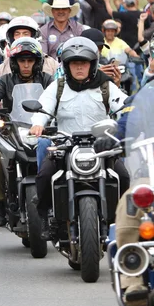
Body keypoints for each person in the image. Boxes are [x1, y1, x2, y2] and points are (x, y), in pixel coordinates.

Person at [29, 37, 128, 238]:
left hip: (101, 145)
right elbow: (43, 107)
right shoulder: (58, 86)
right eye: (75, 63)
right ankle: (47, 218)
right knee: (45, 175)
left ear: (92, 64)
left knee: (124, 177)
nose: (79, 67)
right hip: (66, 144)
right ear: (67, 65)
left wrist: (129, 119)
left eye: (84, 63)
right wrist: (38, 123)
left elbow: (124, 106)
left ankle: (122, 221)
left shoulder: (106, 86)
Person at [0, 38, 54, 227]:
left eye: (30, 60)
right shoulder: (6, 80)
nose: (26, 64)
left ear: (37, 62)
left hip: (43, 132)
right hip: (12, 130)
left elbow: (58, 97)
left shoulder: (47, 80)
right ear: (15, 62)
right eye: (22, 60)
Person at [111, 74, 154, 306]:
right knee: (131, 200)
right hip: (153, 174)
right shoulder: (148, 94)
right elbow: (128, 121)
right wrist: (113, 139)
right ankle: (133, 281)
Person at [0, 16, 58, 82]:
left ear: (34, 36)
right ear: (11, 38)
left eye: (25, 33)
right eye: (17, 34)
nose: (21, 37)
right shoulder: (2, 69)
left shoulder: (51, 65)